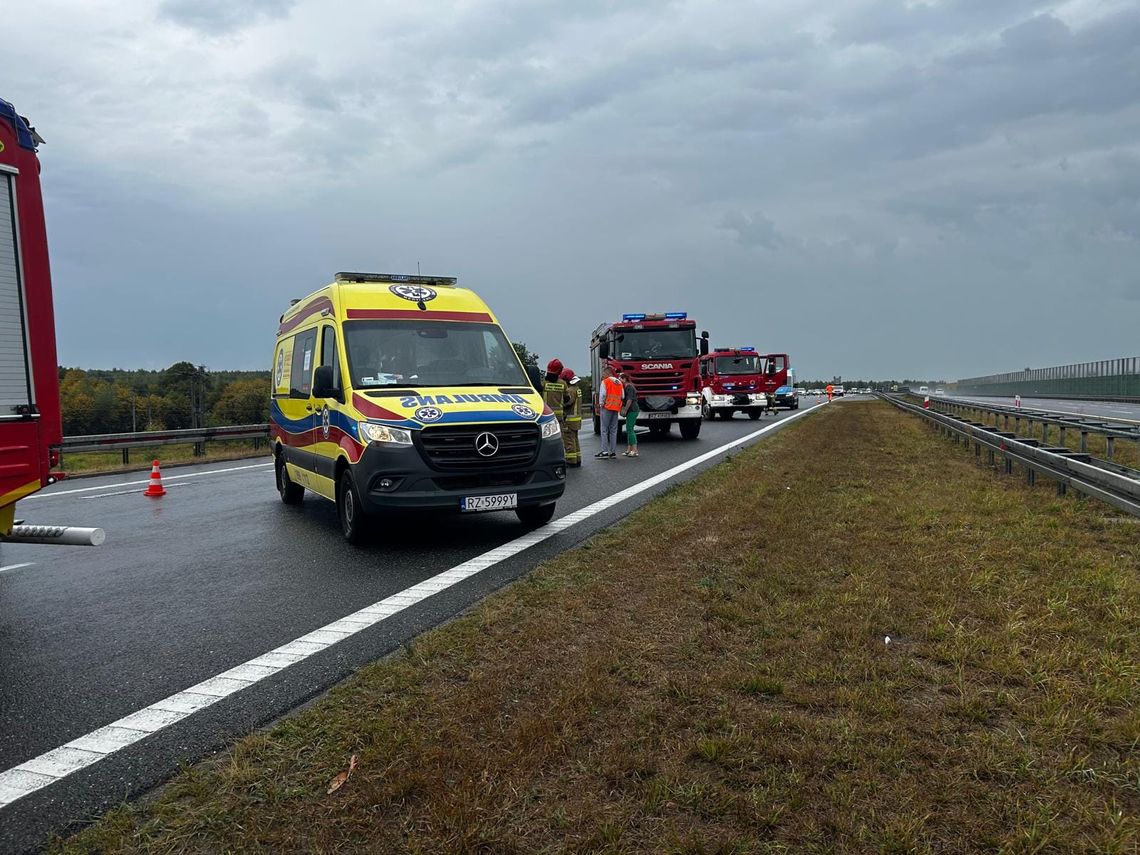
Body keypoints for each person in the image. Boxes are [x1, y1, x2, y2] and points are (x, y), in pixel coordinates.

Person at [597, 363, 623, 459]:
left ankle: (604, 451)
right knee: (613, 430)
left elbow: (602, 394)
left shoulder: (605, 381)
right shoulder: (619, 382)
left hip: (606, 407)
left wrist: (601, 404)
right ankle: (613, 452)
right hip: (616, 408)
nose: (602, 376)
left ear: (607, 373)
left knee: (604, 430)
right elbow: (622, 396)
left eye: (603, 374)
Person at [560, 368, 582, 466]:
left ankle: (571, 461)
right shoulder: (577, 389)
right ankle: (577, 459)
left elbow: (568, 402)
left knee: (569, 440)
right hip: (577, 419)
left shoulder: (570, 390)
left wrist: (560, 404)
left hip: (569, 419)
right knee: (575, 439)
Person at [542, 359, 567, 441]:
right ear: (559, 371)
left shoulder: (544, 383)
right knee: (559, 439)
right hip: (559, 416)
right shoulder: (563, 384)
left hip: (546, 415)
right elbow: (567, 398)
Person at [619, 372, 640, 457]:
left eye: (620, 378)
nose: (619, 380)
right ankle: (629, 449)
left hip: (632, 410)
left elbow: (629, 400)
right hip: (630, 410)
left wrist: (625, 409)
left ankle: (634, 450)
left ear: (624, 379)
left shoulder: (629, 387)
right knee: (628, 429)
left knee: (630, 429)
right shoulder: (626, 387)